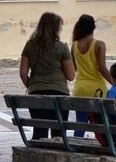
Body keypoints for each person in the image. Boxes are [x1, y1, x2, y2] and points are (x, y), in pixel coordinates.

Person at [19, 12, 75, 140]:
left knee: (39, 131)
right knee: (58, 133)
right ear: (56, 28)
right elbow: (71, 76)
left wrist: (33, 85)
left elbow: (23, 73)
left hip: (36, 94)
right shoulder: (61, 48)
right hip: (59, 94)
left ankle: (36, 156)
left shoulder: (30, 45)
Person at [70, 14, 113, 137]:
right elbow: (102, 68)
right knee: (100, 123)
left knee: (80, 123)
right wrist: (114, 83)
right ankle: (103, 146)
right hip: (97, 89)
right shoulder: (99, 44)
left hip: (79, 89)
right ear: (93, 27)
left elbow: (76, 68)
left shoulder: (74, 46)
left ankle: (77, 147)